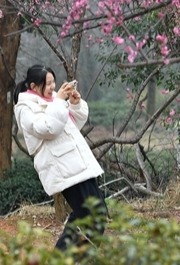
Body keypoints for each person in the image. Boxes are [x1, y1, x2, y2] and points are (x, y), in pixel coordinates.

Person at [14, 65, 107, 251]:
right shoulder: (25, 109)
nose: (52, 87)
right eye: (47, 83)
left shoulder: (53, 100)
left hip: (78, 164)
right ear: (33, 85)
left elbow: (73, 124)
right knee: (91, 217)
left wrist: (74, 104)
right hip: (63, 169)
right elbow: (49, 129)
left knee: (96, 214)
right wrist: (58, 102)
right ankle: (72, 257)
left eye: (53, 82)